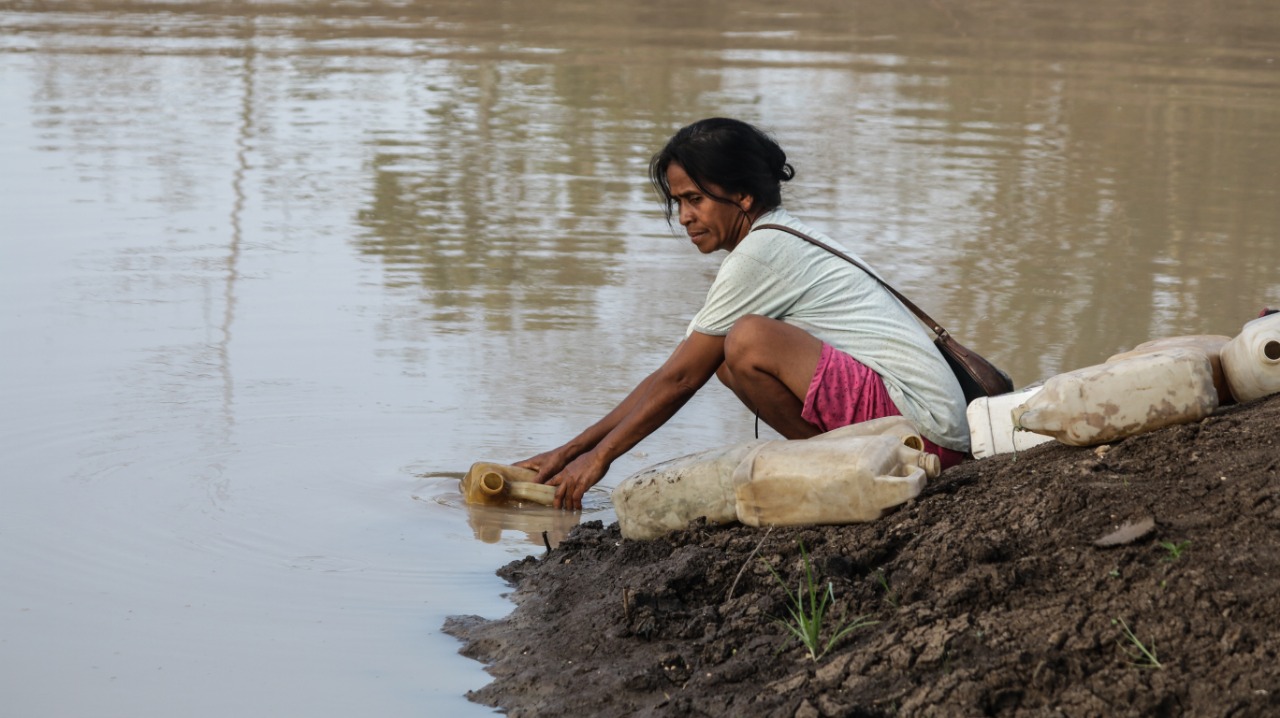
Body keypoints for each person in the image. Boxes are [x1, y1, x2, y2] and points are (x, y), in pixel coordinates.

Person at [517, 117, 970, 510]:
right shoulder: (776, 238)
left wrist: (598, 459)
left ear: (743, 197)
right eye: (678, 202)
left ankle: (844, 469)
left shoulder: (761, 253)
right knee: (726, 361)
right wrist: (569, 450)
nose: (684, 217)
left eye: (695, 199)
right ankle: (838, 463)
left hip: (925, 435)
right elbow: (673, 371)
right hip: (930, 425)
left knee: (747, 341)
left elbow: (679, 383)